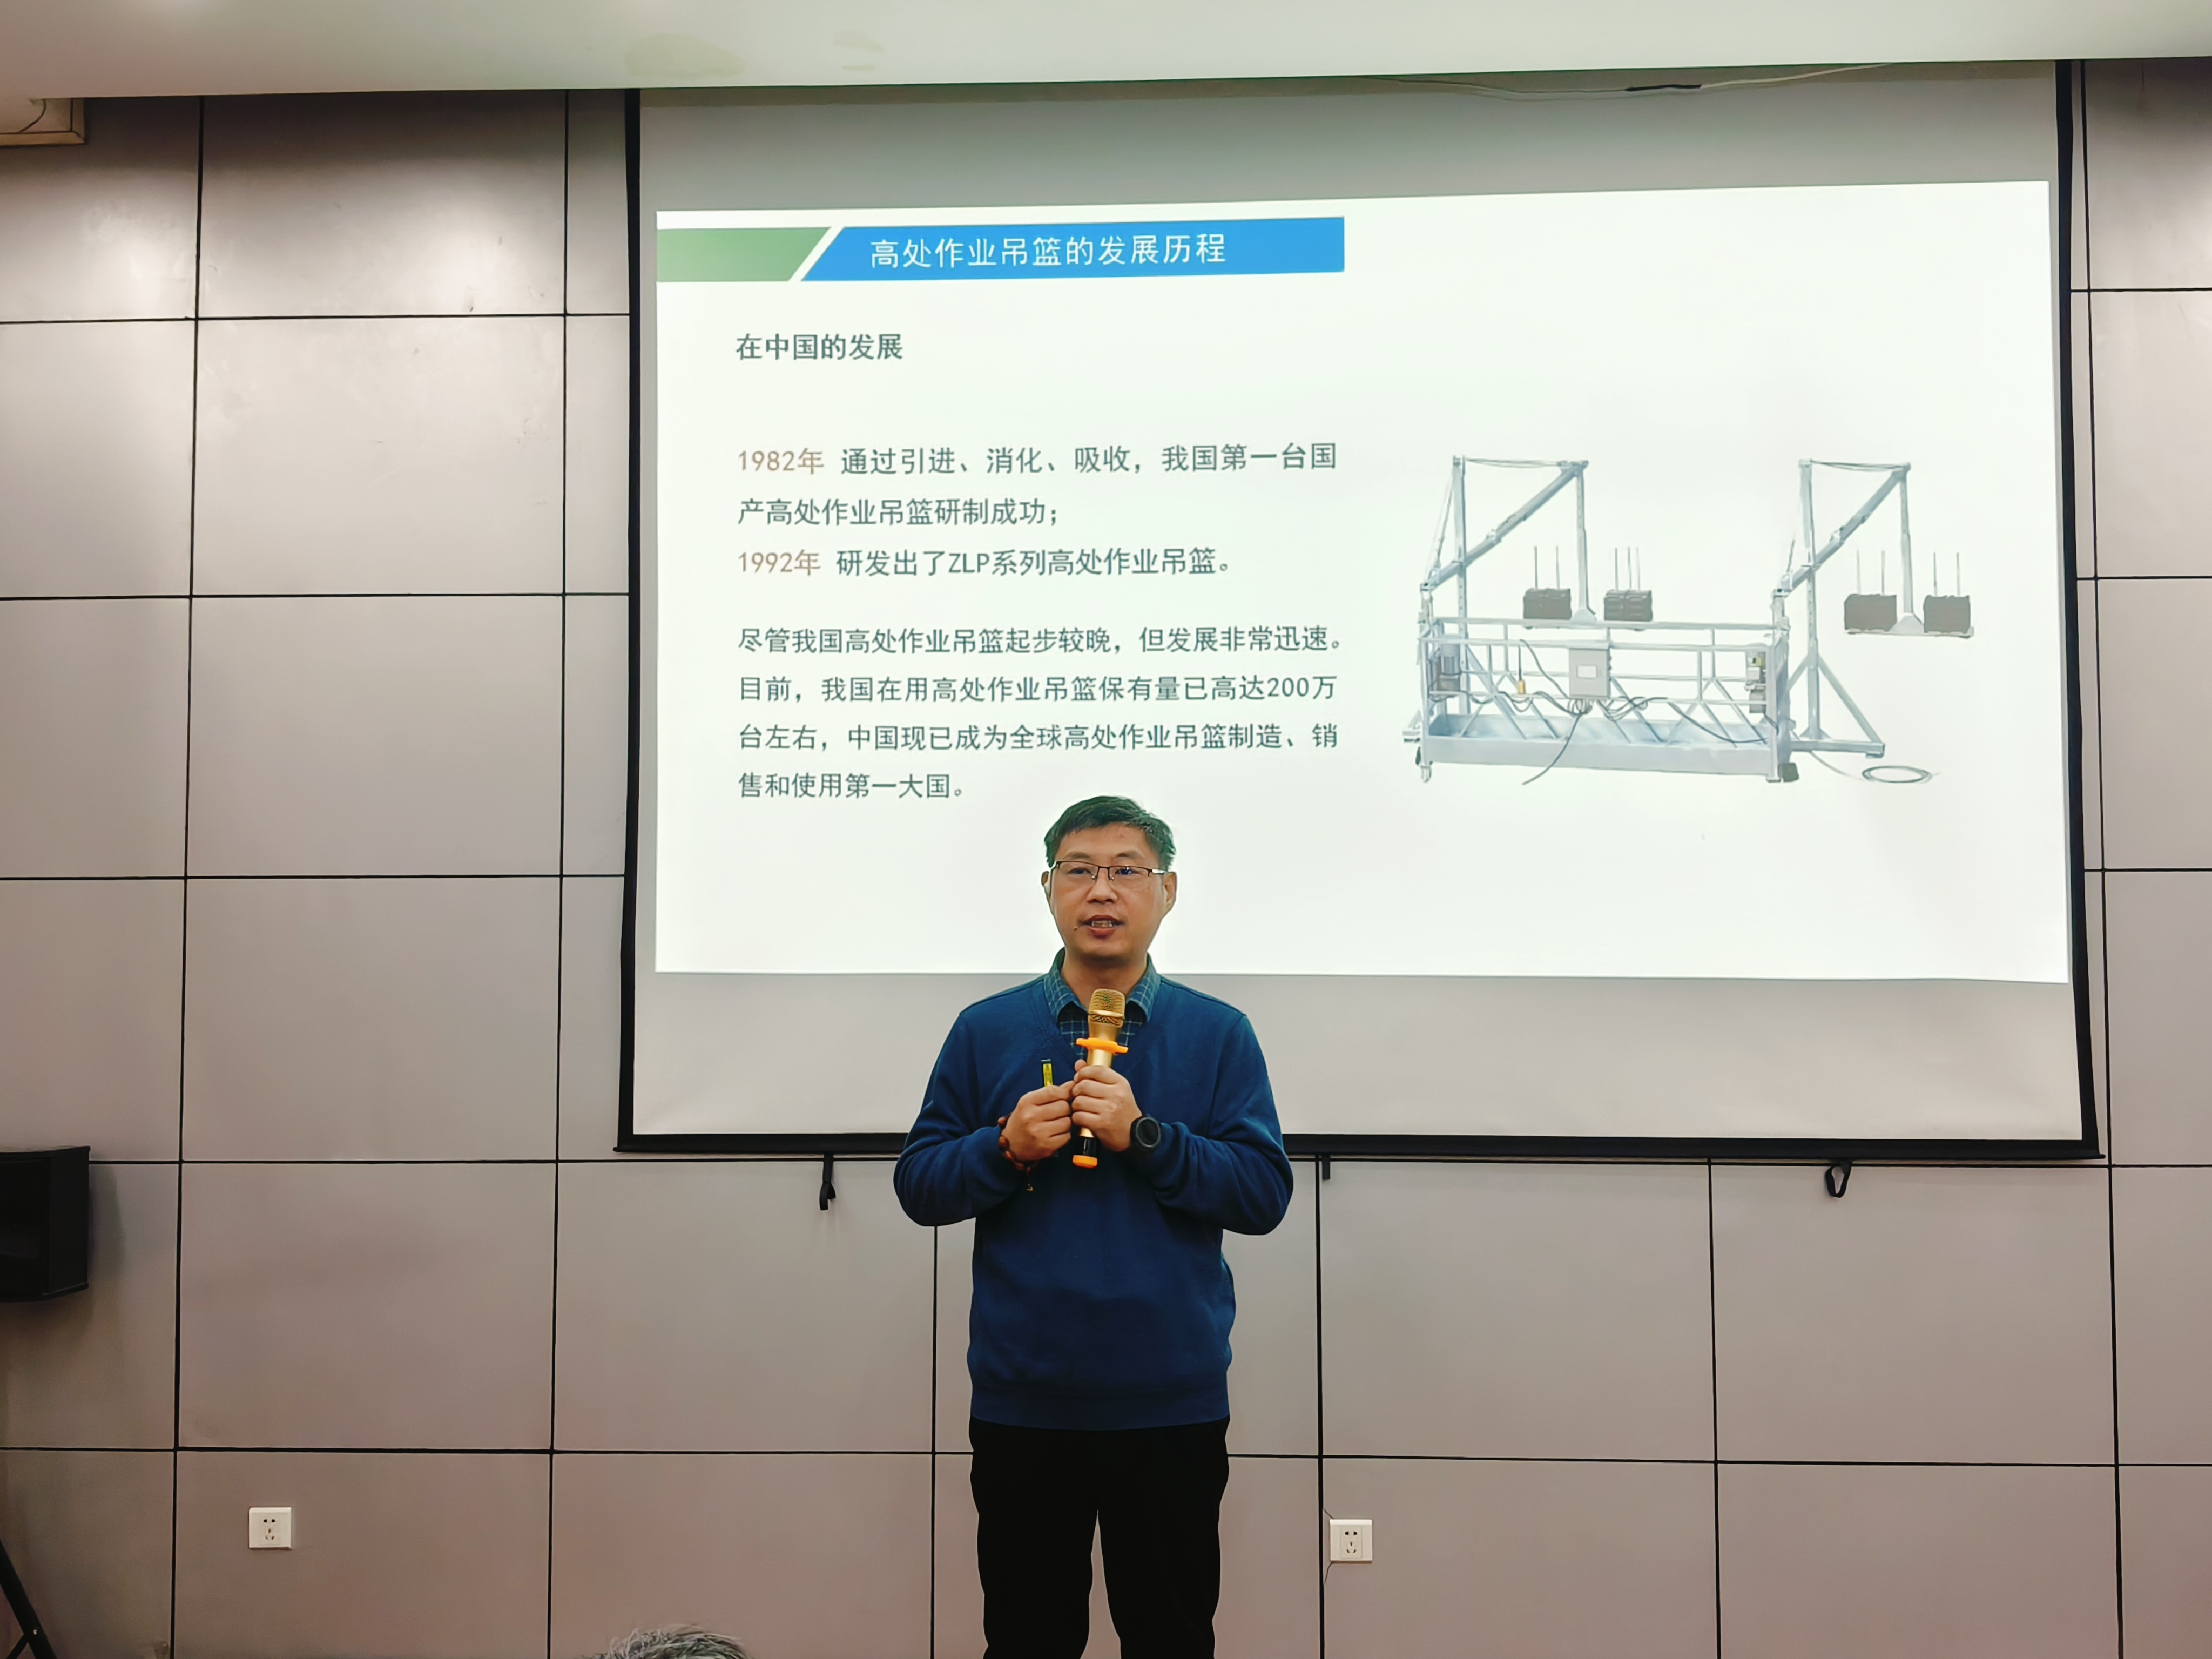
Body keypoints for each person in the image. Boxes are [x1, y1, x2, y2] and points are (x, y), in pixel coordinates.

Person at [894, 795, 1294, 1659]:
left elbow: (1263, 1193)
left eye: (1126, 871)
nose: (1102, 891)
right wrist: (1003, 1147)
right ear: (1048, 889)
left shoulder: (1219, 1034)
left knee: (1171, 1638)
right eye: (1079, 871)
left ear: (1168, 891)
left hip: (1170, 1401)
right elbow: (919, 1185)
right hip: (1026, 1401)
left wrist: (1147, 1138)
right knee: (1027, 1640)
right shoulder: (985, 1031)